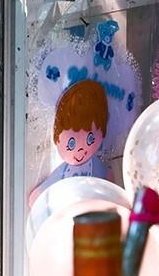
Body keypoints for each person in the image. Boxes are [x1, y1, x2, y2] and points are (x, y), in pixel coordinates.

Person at [28, 79, 111, 208]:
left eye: (90, 139)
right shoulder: (64, 171)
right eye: (71, 144)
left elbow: (108, 178)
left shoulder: (96, 164)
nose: (81, 150)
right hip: (69, 210)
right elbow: (43, 191)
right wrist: (39, 195)